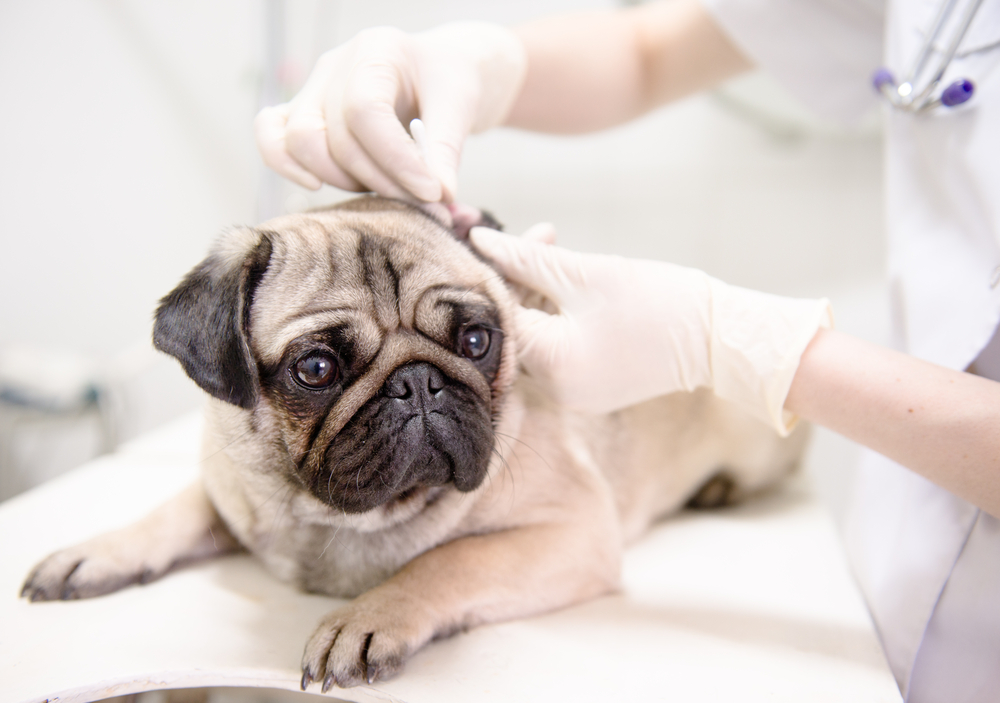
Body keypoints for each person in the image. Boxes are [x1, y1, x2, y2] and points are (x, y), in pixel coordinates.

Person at [253, 1, 1000, 700]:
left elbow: (576, 539)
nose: (413, 390)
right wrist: (479, 63)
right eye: (320, 368)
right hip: (892, 567)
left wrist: (749, 348)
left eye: (468, 342)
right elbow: (652, 50)